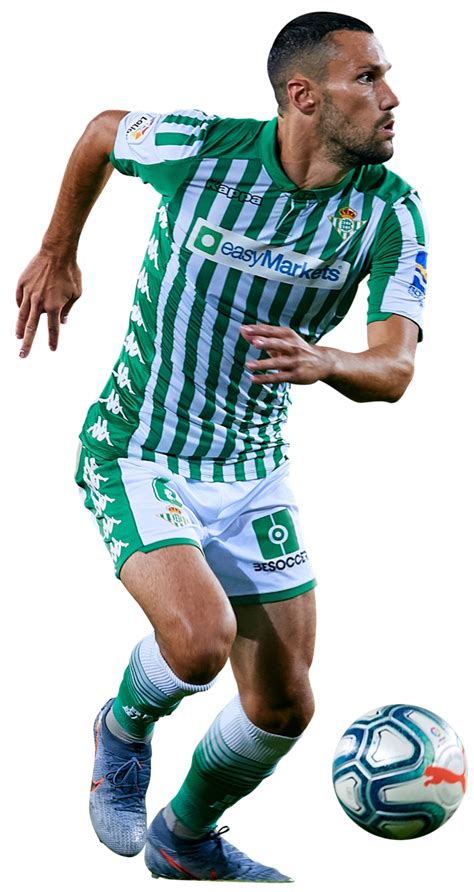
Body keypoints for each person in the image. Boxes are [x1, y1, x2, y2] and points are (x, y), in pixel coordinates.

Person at [15, 10, 428, 883]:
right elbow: (101, 133)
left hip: (253, 471)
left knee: (284, 705)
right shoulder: (203, 150)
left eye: (387, 76)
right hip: (139, 448)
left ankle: (185, 838)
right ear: (303, 96)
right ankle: (123, 729)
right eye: (368, 79)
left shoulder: (389, 211)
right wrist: (59, 250)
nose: (391, 98)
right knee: (201, 640)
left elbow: (394, 368)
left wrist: (326, 360)